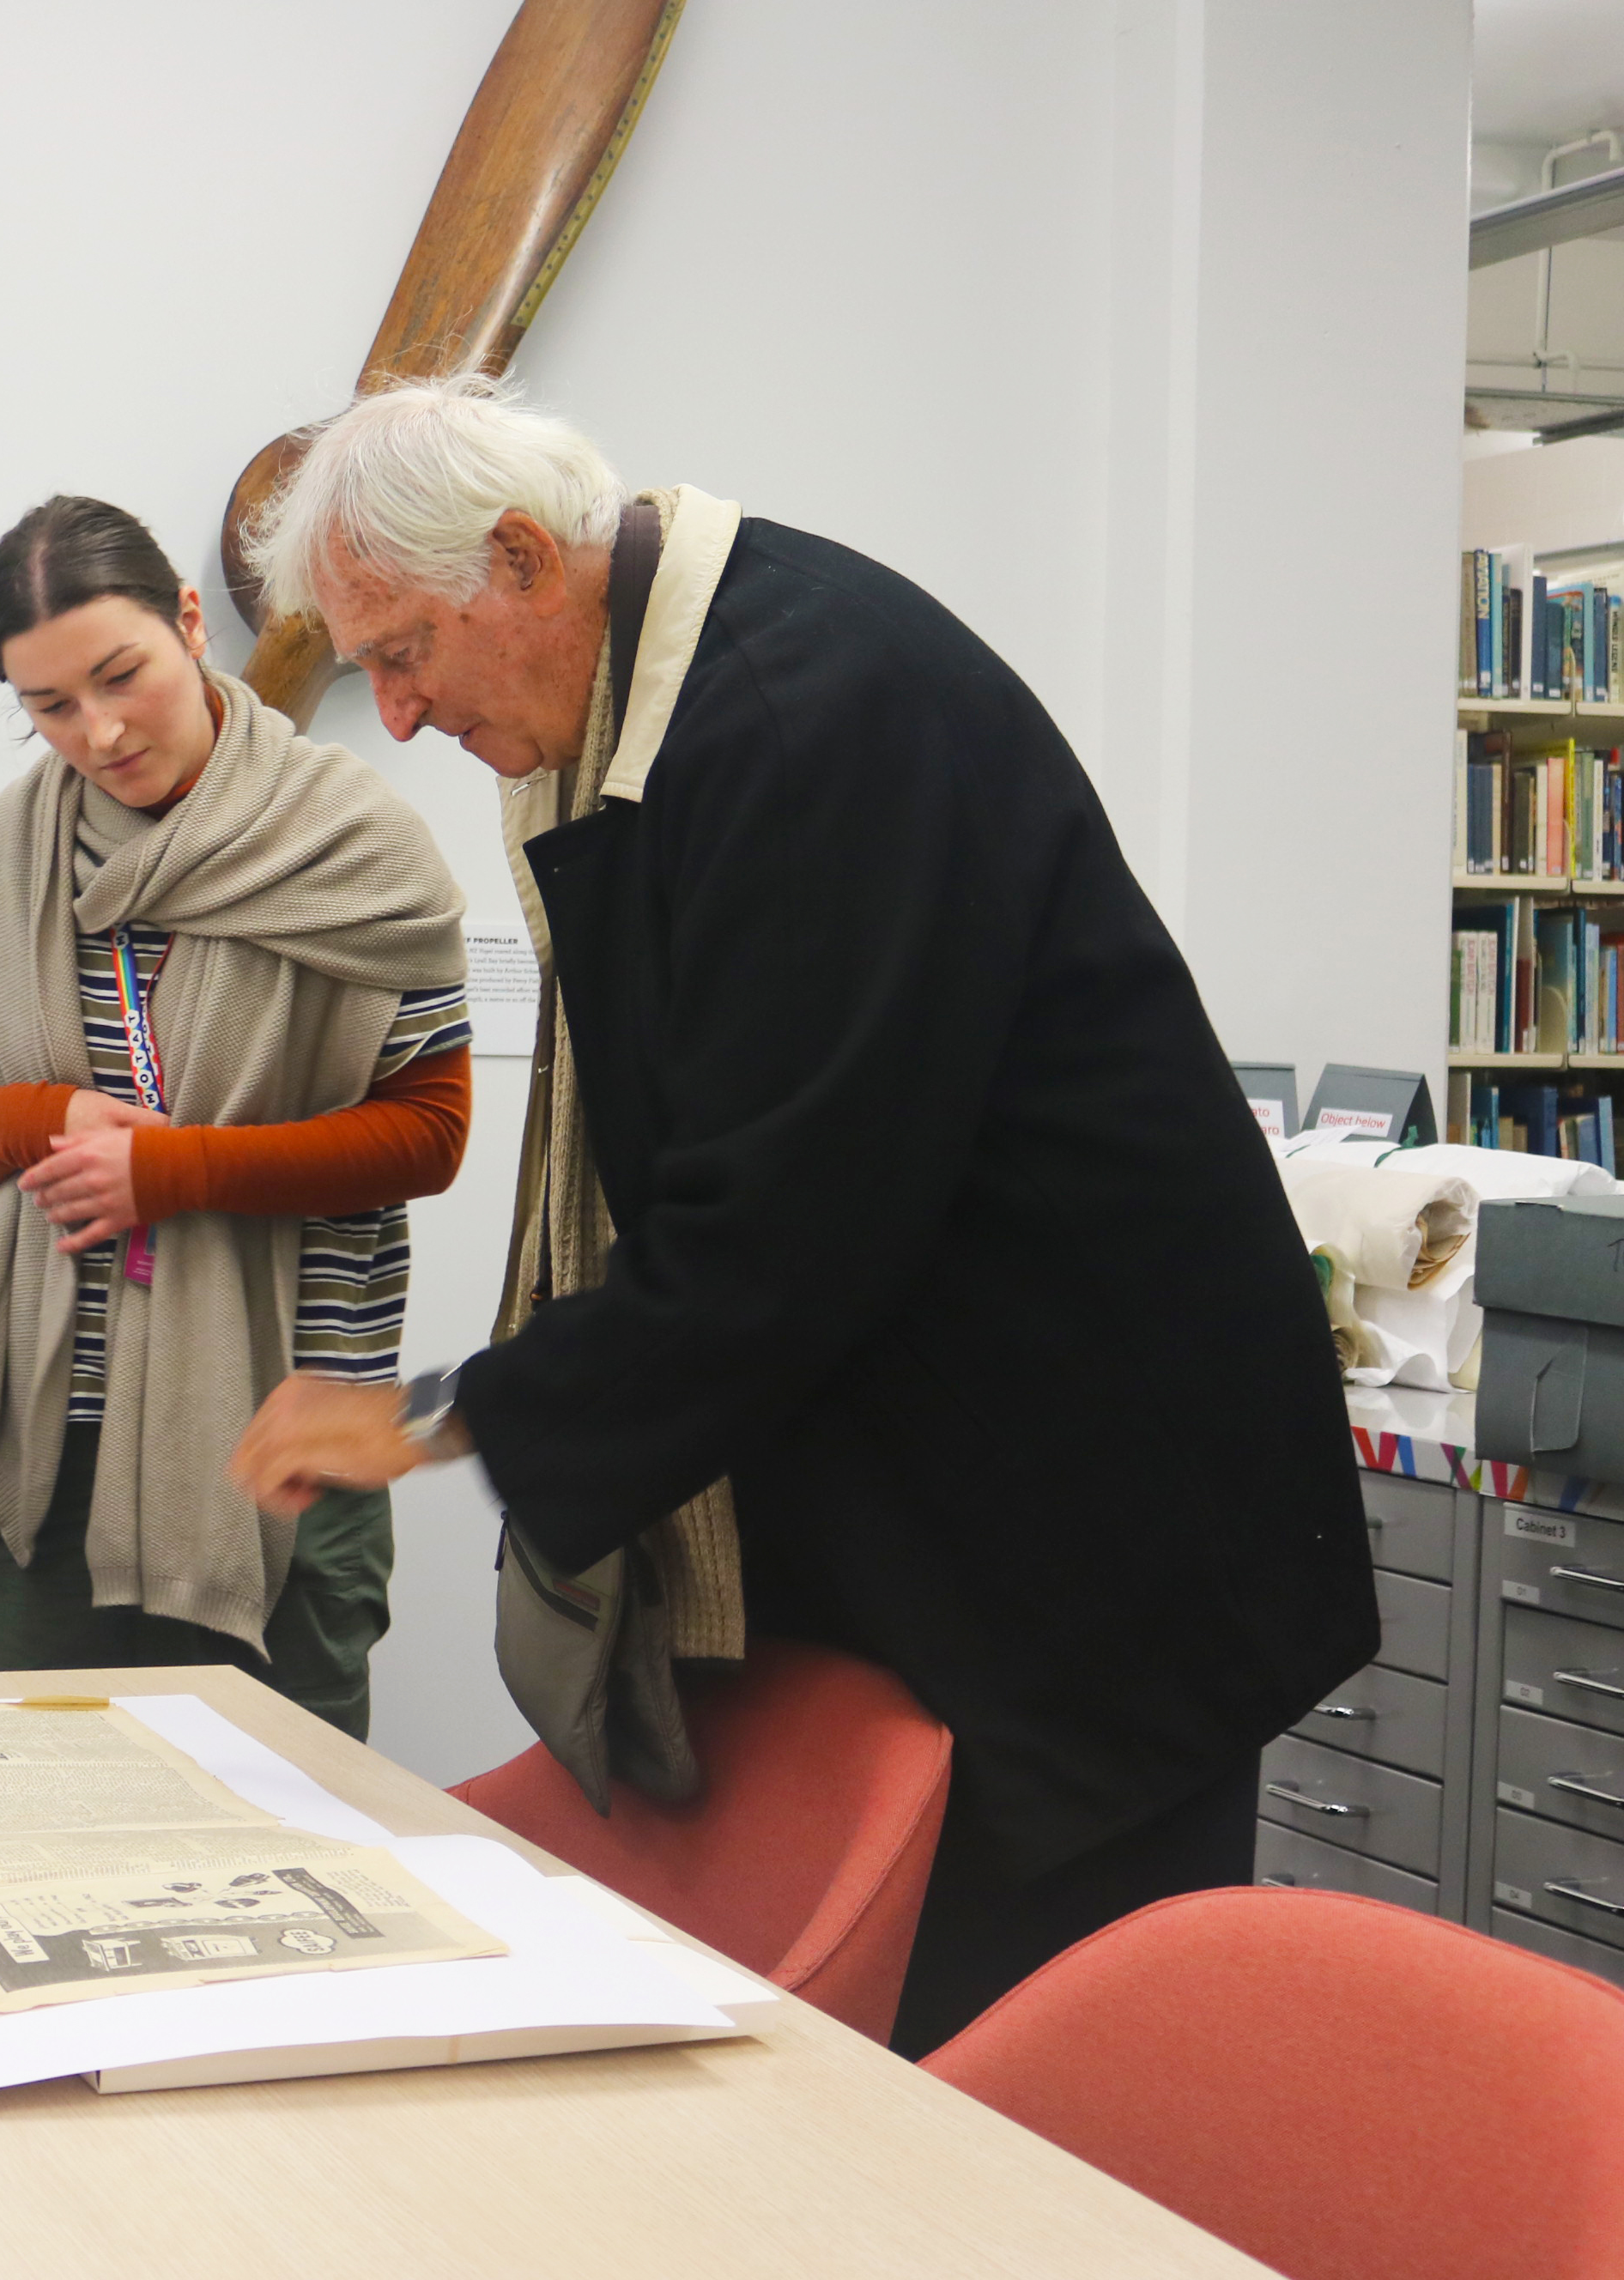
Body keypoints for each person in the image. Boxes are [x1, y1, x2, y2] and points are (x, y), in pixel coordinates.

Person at [223, 371, 1376, 2053]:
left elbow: (777, 1229)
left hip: (1096, 1517)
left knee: (1042, 2071)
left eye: (399, 653)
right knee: (900, 2039)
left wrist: (442, 1412)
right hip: (948, 1467)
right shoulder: (662, 706)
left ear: (525, 561)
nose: (393, 715)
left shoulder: (798, 714)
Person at [0, 495, 471, 1739]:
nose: (98, 732)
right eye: (50, 706)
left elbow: (430, 1134)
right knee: (21, 1804)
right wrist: (51, 1113)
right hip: (46, 1434)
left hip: (286, 1432)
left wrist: (176, 1171)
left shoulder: (353, 844)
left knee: (282, 1816)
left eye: (122, 677)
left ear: (193, 624)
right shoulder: (0, 860)